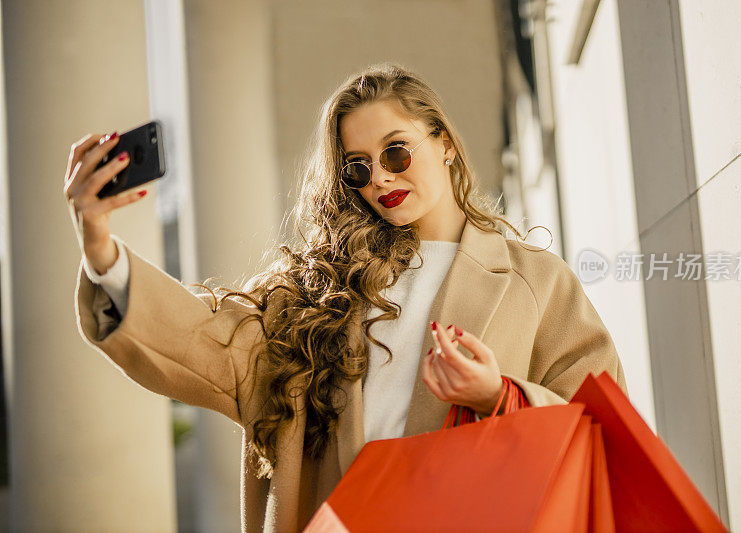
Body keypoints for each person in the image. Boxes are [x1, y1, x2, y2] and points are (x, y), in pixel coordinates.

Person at [65, 62, 628, 533]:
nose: (380, 178)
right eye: (358, 168)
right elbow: (206, 342)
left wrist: (498, 397)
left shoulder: (535, 282)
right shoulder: (319, 294)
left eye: (397, 153)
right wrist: (99, 246)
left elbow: (599, 427)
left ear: (446, 145)